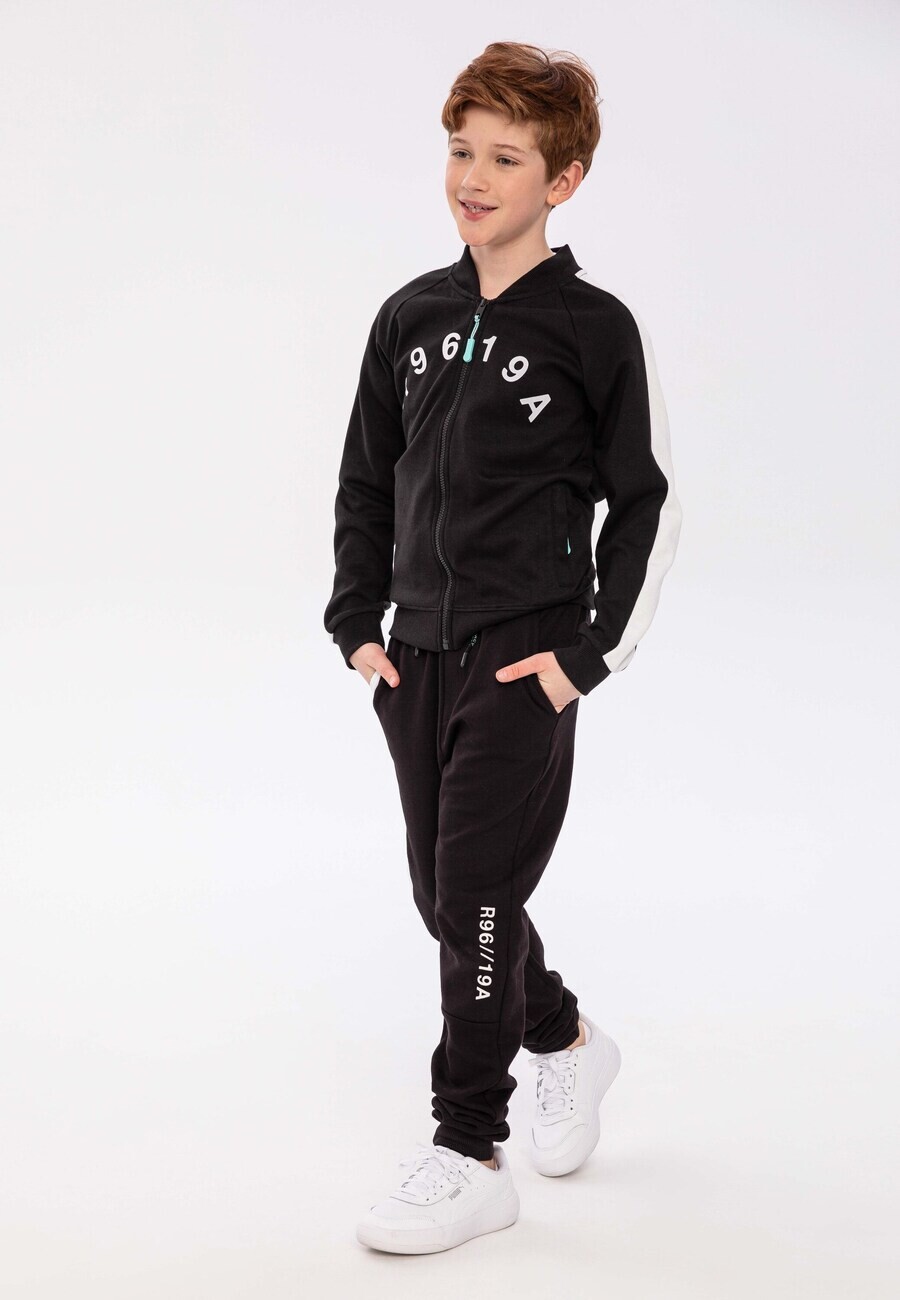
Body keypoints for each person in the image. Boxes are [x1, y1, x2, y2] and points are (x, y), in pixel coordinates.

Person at [323, 40, 682, 1255]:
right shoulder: (411, 316)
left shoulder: (594, 328)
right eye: (461, 150)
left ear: (563, 180)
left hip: (526, 655)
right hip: (413, 653)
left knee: (474, 889)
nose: (473, 178)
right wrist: (356, 623)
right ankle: (567, 1035)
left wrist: (587, 657)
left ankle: (470, 1147)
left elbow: (649, 503)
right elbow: (367, 477)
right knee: (447, 897)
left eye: (506, 158)